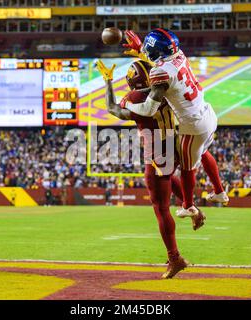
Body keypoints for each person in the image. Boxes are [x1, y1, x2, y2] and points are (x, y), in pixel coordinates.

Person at [97, 59, 198, 279]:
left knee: (160, 207)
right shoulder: (166, 88)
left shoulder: (136, 97)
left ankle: (175, 257)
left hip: (156, 154)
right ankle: (192, 208)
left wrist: (107, 82)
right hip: (174, 144)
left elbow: (112, 108)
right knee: (169, 178)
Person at [121, 29, 228, 220]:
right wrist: (140, 50)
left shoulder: (159, 72)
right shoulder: (179, 55)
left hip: (193, 125)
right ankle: (219, 191)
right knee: (202, 152)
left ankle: (188, 205)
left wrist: (126, 104)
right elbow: (163, 63)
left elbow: (148, 109)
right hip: (208, 114)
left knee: (187, 168)